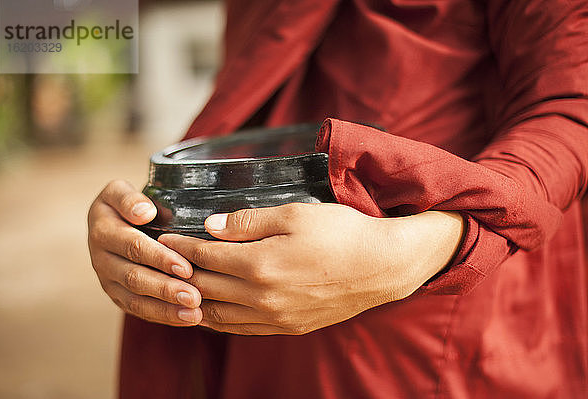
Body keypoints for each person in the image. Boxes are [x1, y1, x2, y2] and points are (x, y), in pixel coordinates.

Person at [88, 0, 588, 397]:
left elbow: (570, 108)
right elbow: (250, 99)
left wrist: (410, 253)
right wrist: (155, 226)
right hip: (254, 311)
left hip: (438, 324)